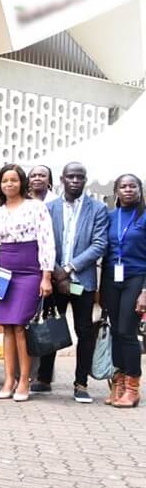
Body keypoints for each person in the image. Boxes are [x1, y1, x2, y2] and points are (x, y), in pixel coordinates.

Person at [33, 162, 108, 403]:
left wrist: (68, 269)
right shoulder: (49, 207)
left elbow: (99, 244)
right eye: (71, 176)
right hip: (53, 280)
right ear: (62, 179)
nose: (75, 180)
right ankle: (44, 379)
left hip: (82, 281)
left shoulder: (97, 209)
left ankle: (81, 383)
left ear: (85, 180)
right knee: (50, 326)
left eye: (80, 177)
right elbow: (43, 242)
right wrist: (56, 272)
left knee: (84, 331)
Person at [0, 164, 55, 402]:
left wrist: (46, 276)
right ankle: (8, 379)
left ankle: (24, 379)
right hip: (4, 272)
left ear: (21, 183)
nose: (9, 184)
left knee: (21, 325)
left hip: (29, 271)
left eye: (13, 180)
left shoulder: (36, 207)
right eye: (5, 181)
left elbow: (46, 242)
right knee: (6, 325)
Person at [101, 174, 146, 408]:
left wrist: (145, 291)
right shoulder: (110, 217)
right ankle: (117, 384)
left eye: (132, 186)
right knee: (116, 332)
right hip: (111, 278)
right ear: (116, 190)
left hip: (136, 278)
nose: (128, 190)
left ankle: (132, 387)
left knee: (127, 331)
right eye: (123, 186)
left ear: (140, 189)